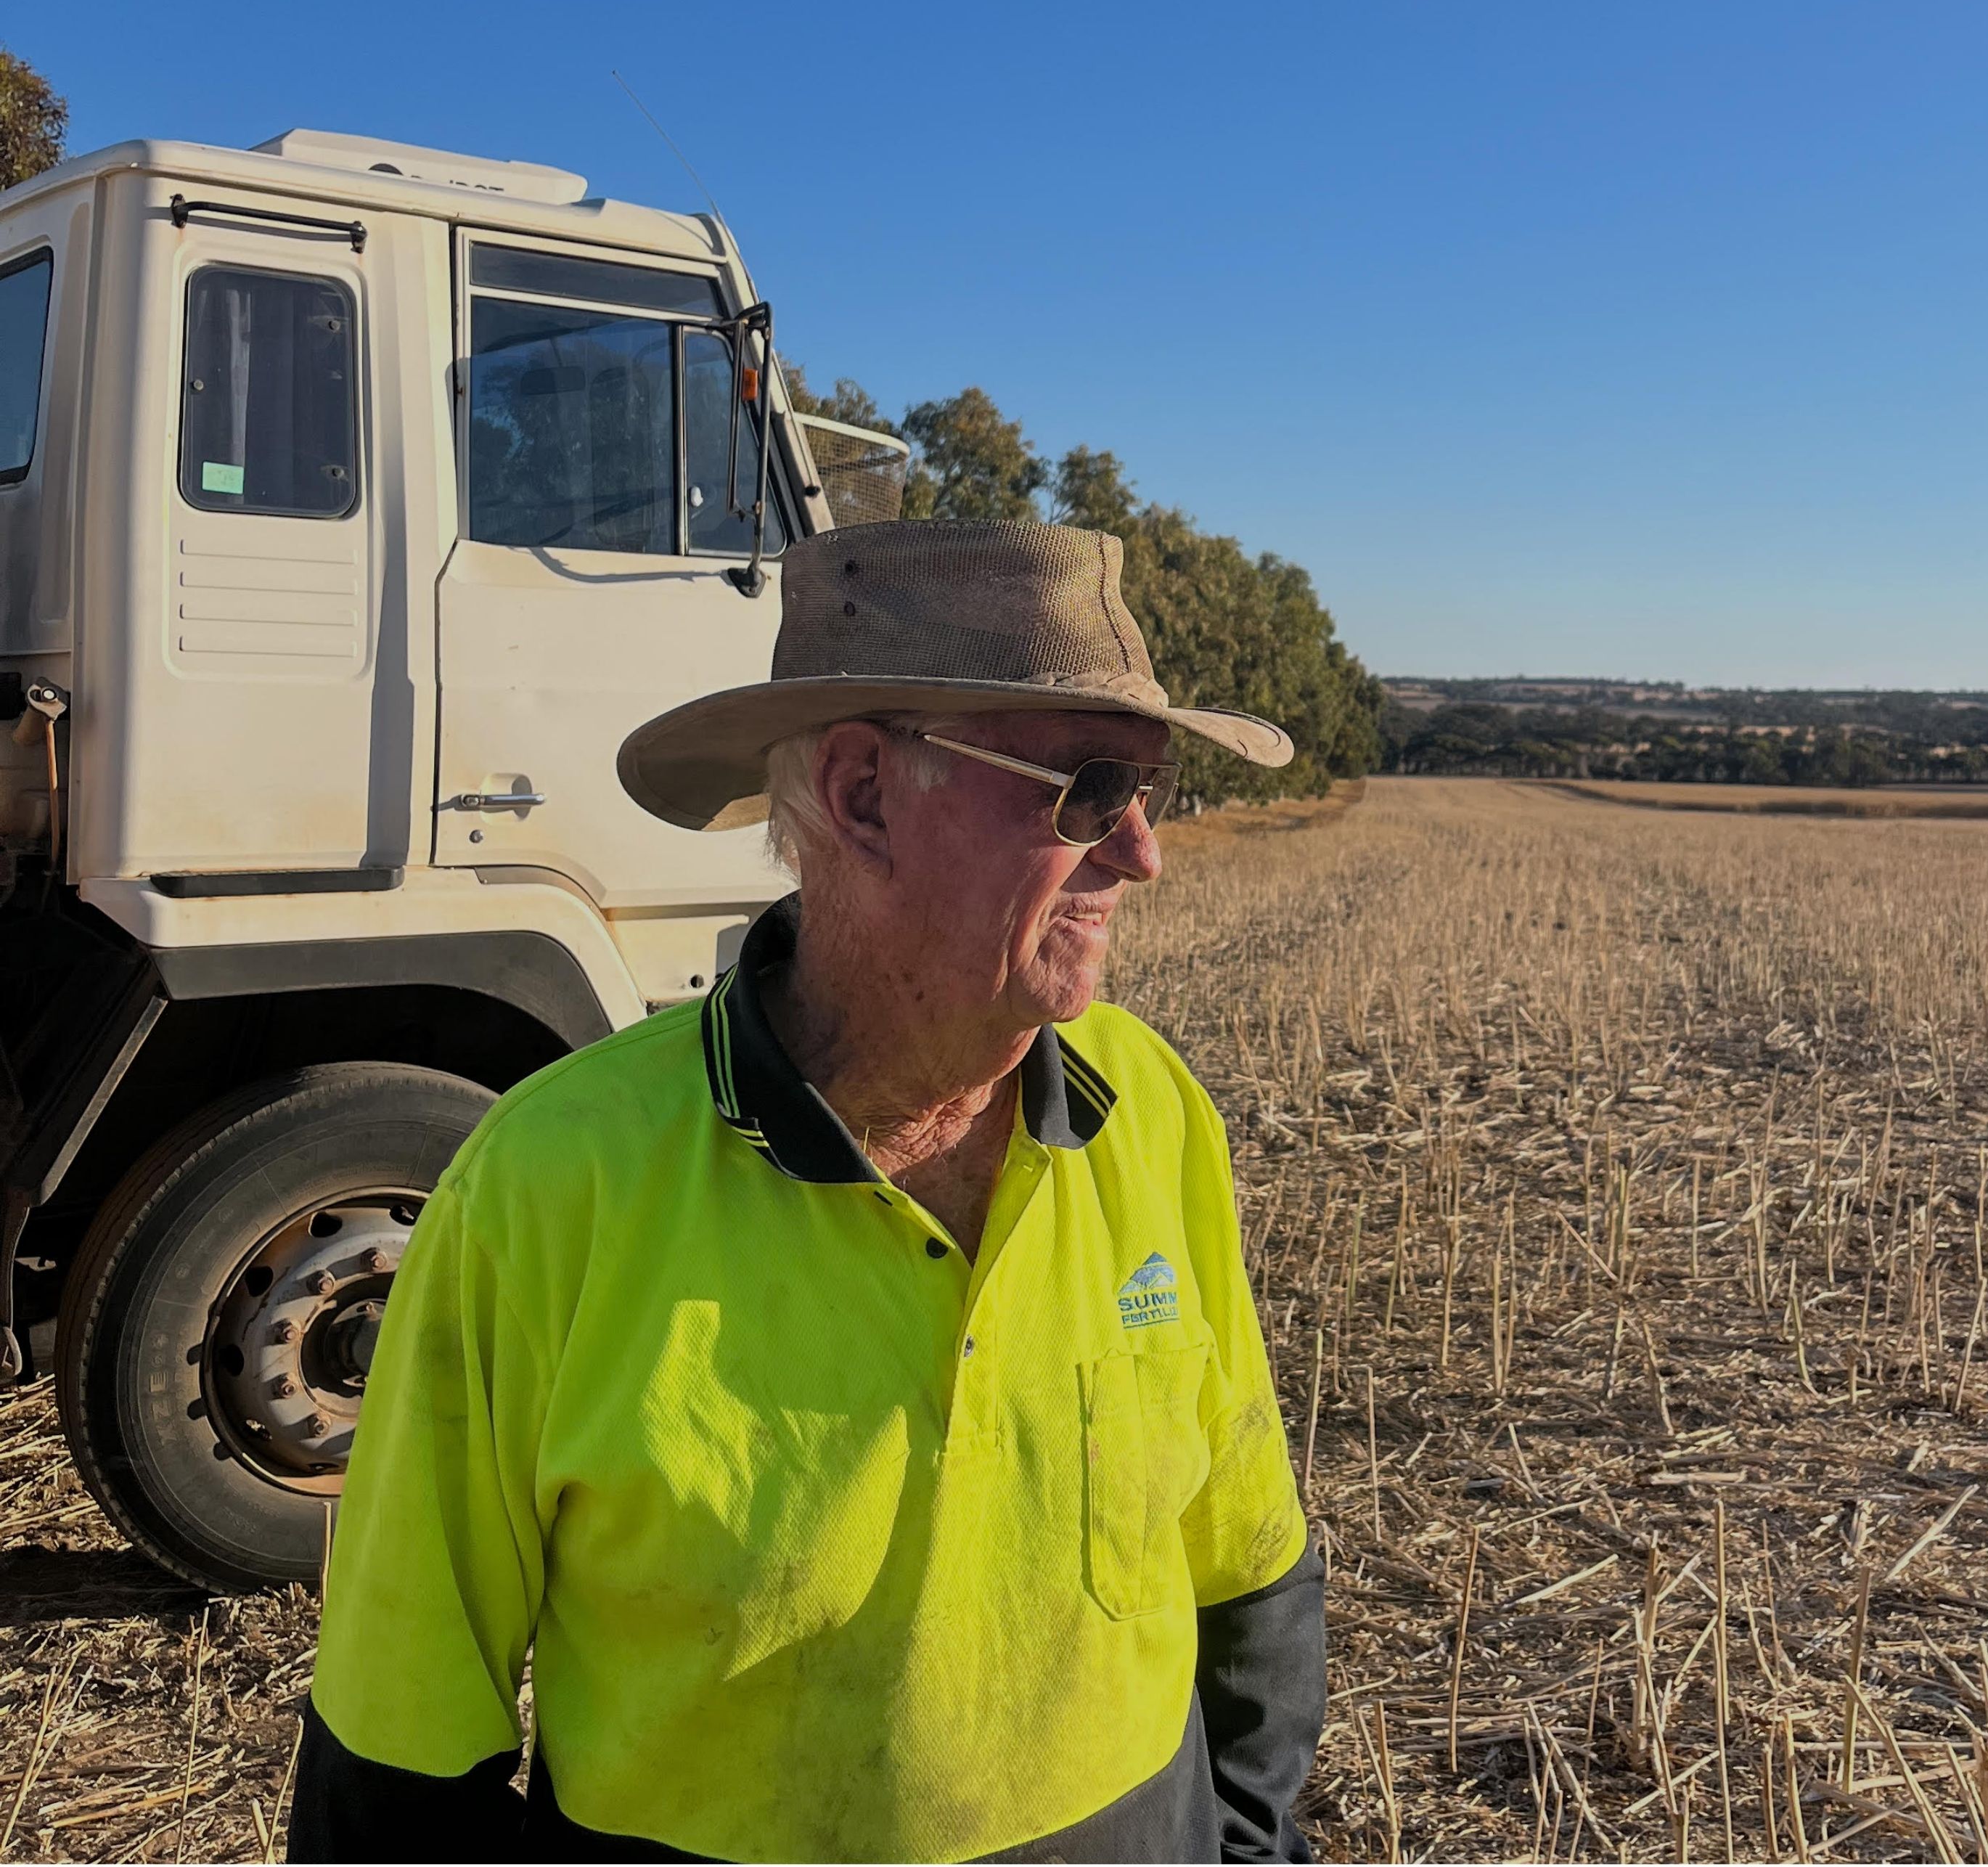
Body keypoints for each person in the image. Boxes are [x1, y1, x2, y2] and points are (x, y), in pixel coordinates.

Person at [291, 520, 1325, 1863]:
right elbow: (397, 1762)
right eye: (1086, 792)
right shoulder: (550, 1188)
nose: (1141, 857)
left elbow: (1247, 1564)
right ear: (863, 796)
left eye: (1150, 792)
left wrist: (1245, 1849)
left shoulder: (1154, 1108)